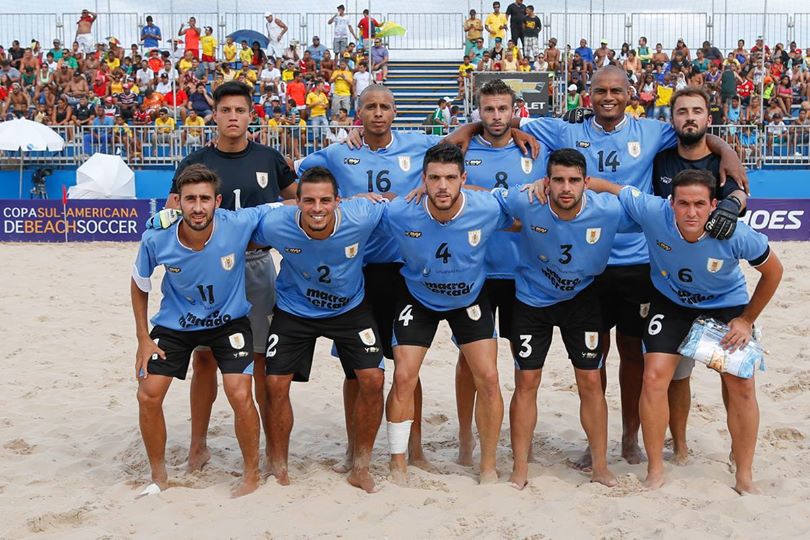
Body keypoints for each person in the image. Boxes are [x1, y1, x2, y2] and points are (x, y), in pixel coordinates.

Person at [446, 66, 748, 468]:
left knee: (635, 354)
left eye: (616, 90)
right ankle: (597, 445)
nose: (608, 96)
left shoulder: (651, 131)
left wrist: (725, 150)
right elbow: (503, 121)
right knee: (596, 358)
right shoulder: (565, 132)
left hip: (637, 261)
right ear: (588, 94)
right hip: (590, 267)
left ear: (630, 93)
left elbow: (694, 132)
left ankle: (629, 438)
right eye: (600, 90)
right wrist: (469, 131)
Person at [593, 170, 782, 493]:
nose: (691, 212)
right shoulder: (654, 212)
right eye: (683, 204)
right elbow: (613, 187)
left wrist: (746, 319)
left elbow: (774, 272)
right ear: (672, 203)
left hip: (726, 306)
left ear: (713, 205)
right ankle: (655, 469)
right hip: (672, 304)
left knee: (742, 388)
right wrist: (572, 182)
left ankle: (744, 475)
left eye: (698, 204)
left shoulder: (735, 232)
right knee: (653, 378)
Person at [296, 85, 443, 473]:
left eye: (385, 107)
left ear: (395, 112)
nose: (378, 113)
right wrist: (342, 200)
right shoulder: (338, 152)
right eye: (370, 107)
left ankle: (415, 449)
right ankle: (353, 448)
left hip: (404, 272)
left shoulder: (416, 144)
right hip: (357, 273)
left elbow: (462, 141)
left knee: (407, 368)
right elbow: (301, 174)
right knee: (355, 370)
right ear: (357, 113)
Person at [166, 81, 297, 472]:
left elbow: (296, 202)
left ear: (251, 114)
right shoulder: (196, 161)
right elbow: (174, 209)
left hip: (256, 267)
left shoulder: (270, 158)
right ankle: (198, 445)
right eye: (226, 111)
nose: (233, 117)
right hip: (207, 269)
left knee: (259, 359)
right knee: (204, 359)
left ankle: (267, 448)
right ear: (216, 115)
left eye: (240, 110)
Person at [496, 148, 640, 489]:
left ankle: (601, 466)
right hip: (531, 301)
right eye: (558, 180)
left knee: (590, 382)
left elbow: (657, 213)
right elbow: (477, 198)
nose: (566, 188)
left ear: (587, 183)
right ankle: (520, 468)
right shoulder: (526, 201)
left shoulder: (606, 209)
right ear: (546, 182)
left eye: (574, 180)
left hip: (583, 299)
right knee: (526, 382)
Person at [132, 164, 267, 497]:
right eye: (190, 199)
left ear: (217, 201)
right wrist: (142, 338)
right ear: (177, 201)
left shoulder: (238, 225)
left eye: (204, 199)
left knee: (239, 393)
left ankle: (251, 474)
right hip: (176, 324)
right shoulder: (156, 236)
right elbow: (139, 284)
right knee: (148, 393)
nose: (197, 207)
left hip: (229, 323)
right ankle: (159, 475)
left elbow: (288, 209)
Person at [385, 143, 512, 485]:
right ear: (423, 179)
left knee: (488, 378)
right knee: (402, 377)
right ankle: (400, 462)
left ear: (463, 179)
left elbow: (527, 213)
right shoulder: (400, 211)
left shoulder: (486, 206)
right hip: (418, 296)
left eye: (451, 178)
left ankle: (486, 464)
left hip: (468, 296)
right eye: (435, 178)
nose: (443, 186)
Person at [258, 167, 388, 493]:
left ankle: (360, 464)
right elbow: (234, 223)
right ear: (296, 202)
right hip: (294, 308)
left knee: (373, 378)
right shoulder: (276, 222)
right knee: (274, 383)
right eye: (309, 201)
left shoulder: (361, 214)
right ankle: (278, 463)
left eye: (325, 200)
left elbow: (403, 206)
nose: (318, 208)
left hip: (349, 307)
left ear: (338, 201)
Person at [651, 86, 749, 466]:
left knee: (733, 378)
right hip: (671, 286)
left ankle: (736, 450)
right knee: (677, 375)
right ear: (672, 118)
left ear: (709, 118)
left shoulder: (721, 161)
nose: (689, 117)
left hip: (720, 290)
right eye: (682, 111)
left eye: (697, 111)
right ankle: (679, 444)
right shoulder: (660, 161)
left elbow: (741, 195)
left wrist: (728, 204)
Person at [452, 79, 548, 466]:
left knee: (523, 363)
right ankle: (464, 437)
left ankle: (518, 439)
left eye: (502, 109)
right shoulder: (461, 148)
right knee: (470, 360)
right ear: (478, 112)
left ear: (515, 111)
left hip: (525, 273)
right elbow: (441, 182)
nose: (495, 116)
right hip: (476, 271)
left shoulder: (537, 151)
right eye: (488, 110)